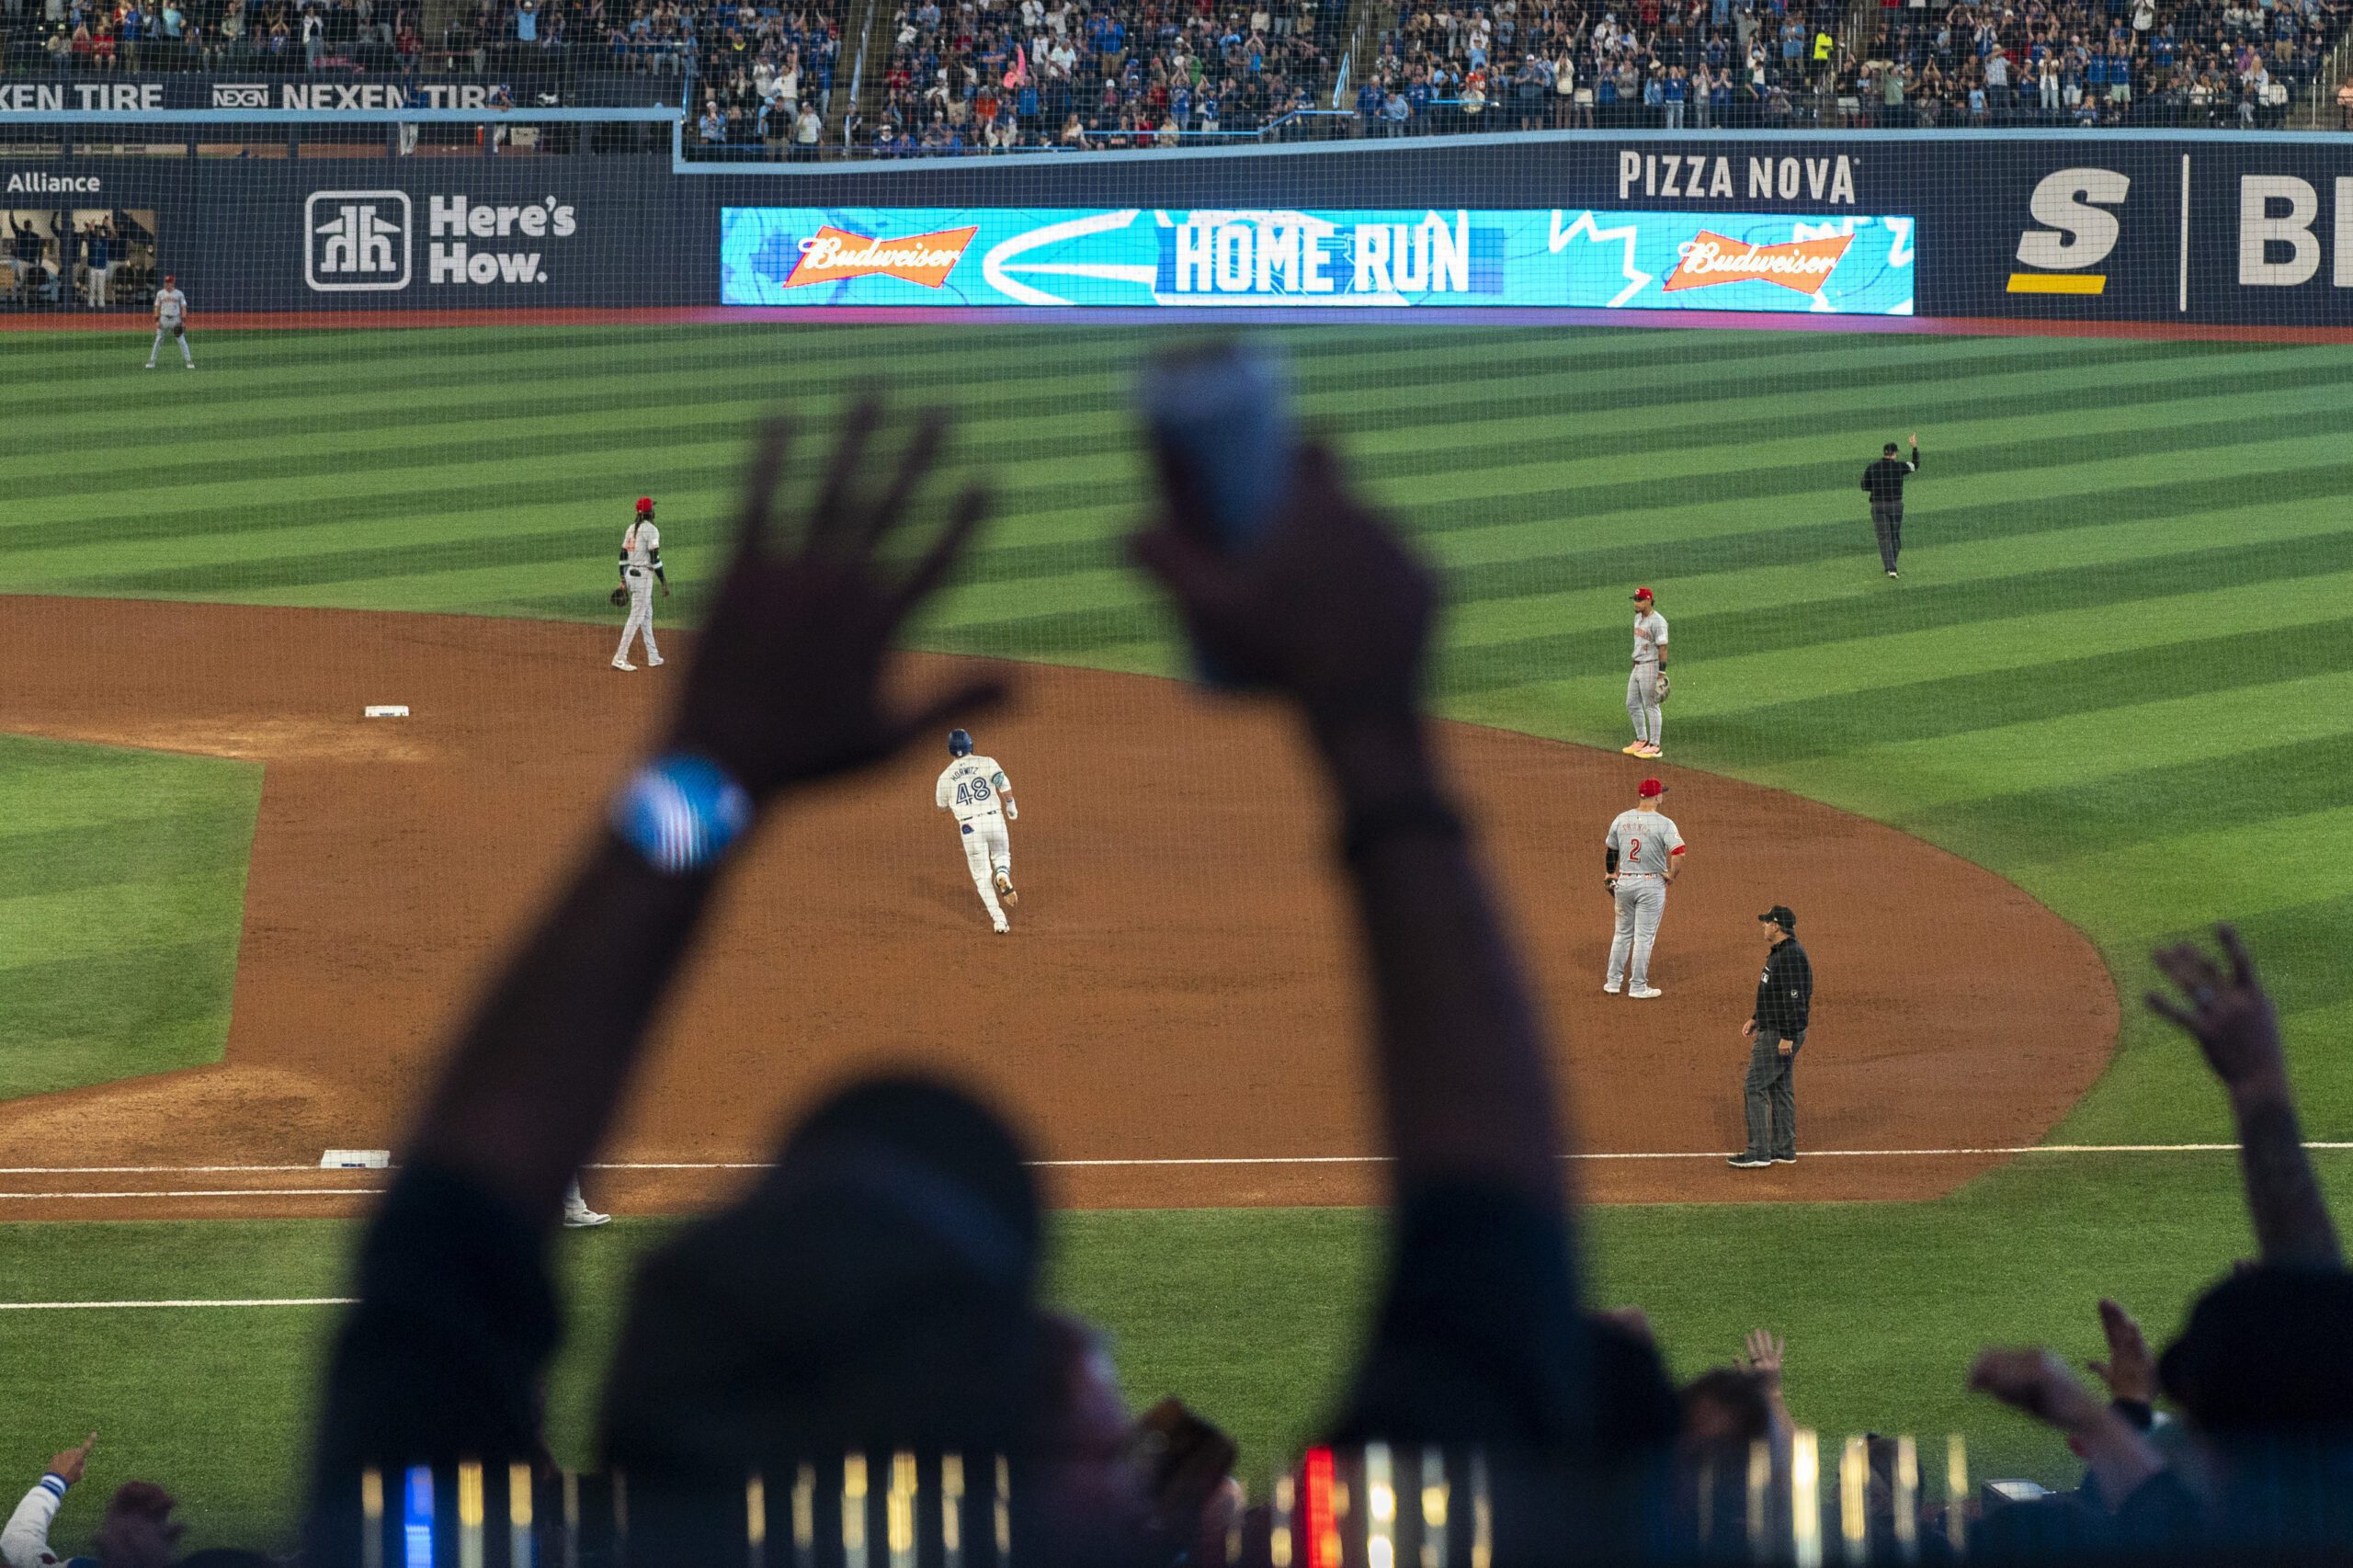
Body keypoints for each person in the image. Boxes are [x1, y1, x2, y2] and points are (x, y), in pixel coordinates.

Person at [1731, 904, 1812, 1168]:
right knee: (1780, 1087)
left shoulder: (1790, 956)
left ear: (1776, 926)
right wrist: (1757, 1017)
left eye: (1766, 922)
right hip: (1775, 1026)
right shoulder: (1781, 952)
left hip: (1779, 1032)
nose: (1763, 925)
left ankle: (1758, 1152)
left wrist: (1787, 1035)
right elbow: (1774, 993)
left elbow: (1794, 999)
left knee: (1754, 1086)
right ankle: (1784, 1149)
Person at [1603, 777, 1685, 1000]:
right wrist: (1671, 875)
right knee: (1644, 937)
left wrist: (1610, 873)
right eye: (1661, 793)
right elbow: (1679, 853)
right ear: (1657, 797)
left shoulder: (1621, 818)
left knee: (1622, 934)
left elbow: (1612, 850)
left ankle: (1612, 982)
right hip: (1650, 885)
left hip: (1625, 882)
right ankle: (1638, 986)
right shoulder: (1664, 823)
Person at [936, 727, 1019, 933]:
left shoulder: (944, 776)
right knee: (1001, 854)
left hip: (970, 827)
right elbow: (1002, 783)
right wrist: (1010, 805)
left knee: (982, 877)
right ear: (970, 745)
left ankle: (999, 920)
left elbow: (941, 806)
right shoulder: (987, 762)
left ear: (950, 750)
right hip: (994, 819)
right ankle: (1002, 874)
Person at [611, 494, 669, 671]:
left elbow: (622, 556)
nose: (654, 510)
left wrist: (623, 579)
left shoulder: (631, 528)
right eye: (653, 508)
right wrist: (663, 582)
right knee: (636, 617)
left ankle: (653, 656)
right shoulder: (651, 530)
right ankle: (620, 657)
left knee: (646, 616)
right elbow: (654, 559)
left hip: (630, 574)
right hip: (643, 577)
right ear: (649, 512)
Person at [1860, 433, 1919, 577]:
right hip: (1895, 506)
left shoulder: (1872, 467)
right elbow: (1915, 465)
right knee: (1894, 536)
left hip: (1878, 506)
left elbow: (1864, 486)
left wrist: (1878, 488)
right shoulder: (1899, 466)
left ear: (1885, 453)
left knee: (1883, 537)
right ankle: (1892, 566)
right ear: (1894, 454)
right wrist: (1914, 447)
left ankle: (1890, 567)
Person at [1622, 585, 1668, 759]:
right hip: (1638, 665)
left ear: (1649, 601)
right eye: (1635, 600)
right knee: (1632, 703)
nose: (1636, 603)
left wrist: (1661, 673)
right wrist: (1634, 663)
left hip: (1651, 666)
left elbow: (1663, 647)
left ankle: (1655, 746)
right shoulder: (1637, 618)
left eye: (1640, 600)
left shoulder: (1658, 621)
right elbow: (1639, 644)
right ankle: (1641, 739)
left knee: (1651, 705)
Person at [144, 273, 191, 370]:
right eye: (166, 282)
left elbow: (183, 307)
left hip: (176, 320)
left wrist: (183, 321)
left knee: (182, 341)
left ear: (173, 283)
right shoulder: (160, 293)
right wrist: (157, 320)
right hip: (163, 320)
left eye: (169, 282)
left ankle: (189, 361)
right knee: (158, 341)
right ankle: (152, 361)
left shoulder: (179, 293)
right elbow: (157, 307)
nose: (167, 284)